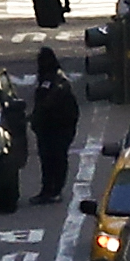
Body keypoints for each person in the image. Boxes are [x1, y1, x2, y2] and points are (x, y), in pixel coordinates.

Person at [30, 47, 82, 203]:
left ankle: (54, 190)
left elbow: (48, 105)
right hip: (49, 129)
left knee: (56, 159)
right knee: (48, 160)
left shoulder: (56, 82)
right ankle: (48, 189)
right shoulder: (52, 80)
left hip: (56, 129)